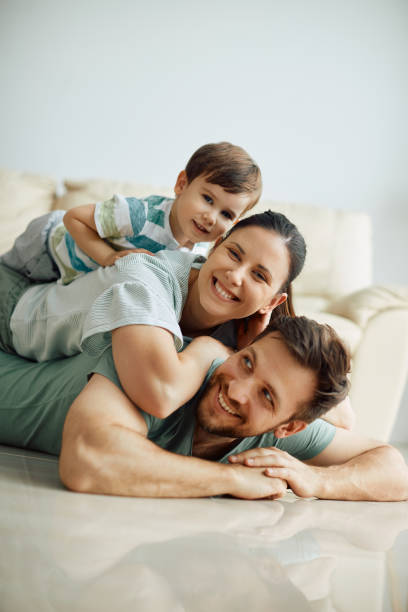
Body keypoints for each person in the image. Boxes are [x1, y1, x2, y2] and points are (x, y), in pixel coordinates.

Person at [0, 316, 406, 501]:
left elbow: (394, 470)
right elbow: (88, 460)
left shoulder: (282, 433)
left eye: (267, 396)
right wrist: (227, 479)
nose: (238, 389)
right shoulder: (163, 369)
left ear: (290, 426)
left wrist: (317, 481)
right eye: (247, 361)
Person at [0, 210, 306, 420]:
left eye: (259, 276)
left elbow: (339, 412)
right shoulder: (149, 277)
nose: (235, 276)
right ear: (215, 247)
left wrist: (256, 347)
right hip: (11, 309)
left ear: (272, 302)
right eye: (234, 254)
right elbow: (159, 395)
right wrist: (212, 349)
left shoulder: (241, 328)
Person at [1, 142, 262, 285]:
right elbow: (74, 217)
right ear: (182, 184)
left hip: (74, 272)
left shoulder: (200, 252)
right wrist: (109, 257)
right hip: (48, 246)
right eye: (207, 199)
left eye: (226, 214)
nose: (211, 217)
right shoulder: (140, 215)